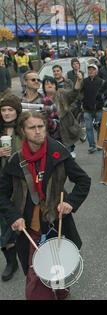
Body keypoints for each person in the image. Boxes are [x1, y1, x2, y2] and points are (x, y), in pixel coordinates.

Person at [0, 110, 91, 300]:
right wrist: (13, 217)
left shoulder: (58, 153)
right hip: (28, 226)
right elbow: (2, 193)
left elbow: (83, 180)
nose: (38, 131)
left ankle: (60, 288)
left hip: (56, 222)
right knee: (36, 278)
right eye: (32, 128)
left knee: (59, 269)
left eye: (41, 126)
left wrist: (70, 203)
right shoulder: (14, 161)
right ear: (23, 131)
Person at [0, 95, 22, 282]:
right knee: (5, 222)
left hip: (21, 182)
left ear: (17, 111)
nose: (7, 113)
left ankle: (31, 257)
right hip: (2, 183)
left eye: (10, 110)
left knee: (26, 220)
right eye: (3, 110)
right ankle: (11, 262)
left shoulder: (23, 129)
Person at [42, 71, 83, 157]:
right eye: (47, 84)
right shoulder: (41, 100)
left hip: (64, 132)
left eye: (52, 84)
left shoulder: (61, 94)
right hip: (49, 134)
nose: (50, 85)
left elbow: (73, 93)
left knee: (65, 157)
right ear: (44, 87)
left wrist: (78, 80)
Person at [21, 71, 60, 139]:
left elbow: (57, 126)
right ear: (25, 82)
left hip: (42, 141)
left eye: (38, 80)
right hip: (23, 141)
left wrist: (47, 120)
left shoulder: (47, 101)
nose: (36, 81)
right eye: (33, 80)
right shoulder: (19, 102)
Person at [81, 64, 105, 153]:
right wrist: (82, 102)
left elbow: (104, 94)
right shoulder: (84, 81)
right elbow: (80, 94)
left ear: (96, 71)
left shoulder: (101, 81)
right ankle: (92, 145)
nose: (91, 71)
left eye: (93, 69)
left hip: (98, 108)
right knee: (88, 128)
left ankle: (100, 144)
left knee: (99, 127)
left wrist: (101, 103)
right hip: (87, 109)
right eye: (89, 69)